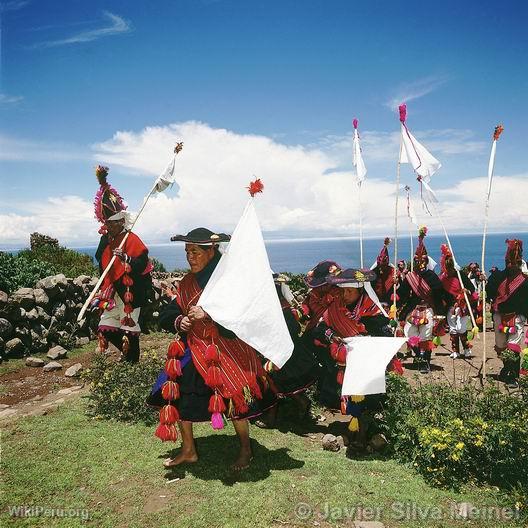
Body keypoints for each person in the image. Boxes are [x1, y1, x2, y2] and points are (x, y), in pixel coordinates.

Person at [151, 227, 276, 470]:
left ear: (211, 251)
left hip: (227, 345)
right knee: (174, 388)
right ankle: (188, 450)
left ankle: (245, 448)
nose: (190, 257)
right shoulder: (187, 283)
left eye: (195, 251)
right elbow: (169, 313)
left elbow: (243, 315)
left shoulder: (228, 280)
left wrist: (209, 313)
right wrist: (180, 320)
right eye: (187, 251)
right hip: (194, 346)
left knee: (236, 396)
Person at [309, 267, 393, 442]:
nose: (345, 295)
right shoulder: (335, 307)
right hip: (345, 363)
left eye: (349, 291)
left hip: (367, 364)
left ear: (360, 290)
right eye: (343, 290)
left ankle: (363, 432)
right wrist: (332, 336)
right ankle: (355, 427)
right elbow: (320, 329)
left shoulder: (373, 312)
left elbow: (385, 338)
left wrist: (365, 340)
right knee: (350, 395)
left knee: (366, 396)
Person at [92, 165, 152, 363]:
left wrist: (126, 259)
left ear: (121, 222)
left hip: (130, 293)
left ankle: (132, 361)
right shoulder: (107, 240)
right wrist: (105, 241)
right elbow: (100, 259)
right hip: (112, 293)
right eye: (106, 224)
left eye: (112, 224)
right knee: (105, 327)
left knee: (129, 329)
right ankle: (128, 356)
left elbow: (142, 263)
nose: (108, 227)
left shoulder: (131, 239)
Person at [254, 273, 318, 428]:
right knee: (284, 385)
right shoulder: (285, 307)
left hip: (278, 354)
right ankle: (300, 405)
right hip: (287, 352)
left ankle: (272, 417)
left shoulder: (275, 309)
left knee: (272, 384)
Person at [398, 227, 445, 373]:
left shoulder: (432, 276)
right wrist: (395, 289)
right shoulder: (410, 277)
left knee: (425, 336)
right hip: (413, 310)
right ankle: (418, 356)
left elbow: (439, 294)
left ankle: (425, 362)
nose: (419, 262)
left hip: (428, 309)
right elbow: (402, 294)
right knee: (410, 334)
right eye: (417, 260)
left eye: (422, 260)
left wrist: (440, 312)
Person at [486, 239, 528, 386]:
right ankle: (507, 368)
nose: (511, 265)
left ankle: (513, 375)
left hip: (517, 316)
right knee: (501, 345)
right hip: (499, 316)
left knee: (513, 344)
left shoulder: (524, 280)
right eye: (509, 262)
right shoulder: (498, 277)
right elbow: (489, 292)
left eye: (515, 262)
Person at [439, 245, 476, 359]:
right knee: (453, 329)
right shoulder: (443, 279)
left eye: (450, 269)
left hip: (462, 306)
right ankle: (455, 350)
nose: (448, 271)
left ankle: (466, 348)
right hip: (450, 307)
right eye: (447, 269)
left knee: (461, 328)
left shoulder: (461, 276)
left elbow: (472, 288)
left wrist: (466, 291)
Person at [372, 237, 395, 308]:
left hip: (388, 299)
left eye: (384, 263)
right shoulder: (374, 271)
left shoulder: (391, 270)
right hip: (376, 299)